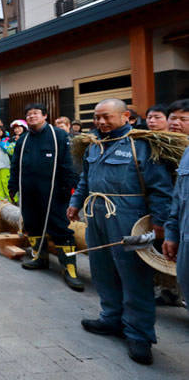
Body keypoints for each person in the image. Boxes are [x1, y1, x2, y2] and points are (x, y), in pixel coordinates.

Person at [67, 98, 173, 365]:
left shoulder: (142, 146)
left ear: (126, 116)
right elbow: (85, 178)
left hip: (128, 215)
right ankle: (111, 317)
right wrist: (75, 203)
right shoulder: (94, 145)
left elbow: (161, 188)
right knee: (102, 268)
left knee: (134, 274)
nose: (101, 122)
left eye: (107, 117)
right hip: (96, 215)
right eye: (97, 117)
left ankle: (139, 334)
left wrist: (160, 223)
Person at [9, 103, 82, 291]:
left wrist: (69, 190)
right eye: (28, 114)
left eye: (35, 113)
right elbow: (15, 165)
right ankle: (39, 258)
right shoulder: (23, 139)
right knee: (32, 224)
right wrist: (12, 186)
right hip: (29, 192)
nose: (32, 116)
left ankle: (70, 269)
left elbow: (69, 164)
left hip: (55, 193)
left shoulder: (59, 136)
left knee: (60, 228)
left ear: (45, 116)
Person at [163, 99, 189, 310]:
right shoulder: (186, 154)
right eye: (173, 118)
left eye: (183, 119)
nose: (177, 123)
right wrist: (171, 233)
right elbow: (178, 198)